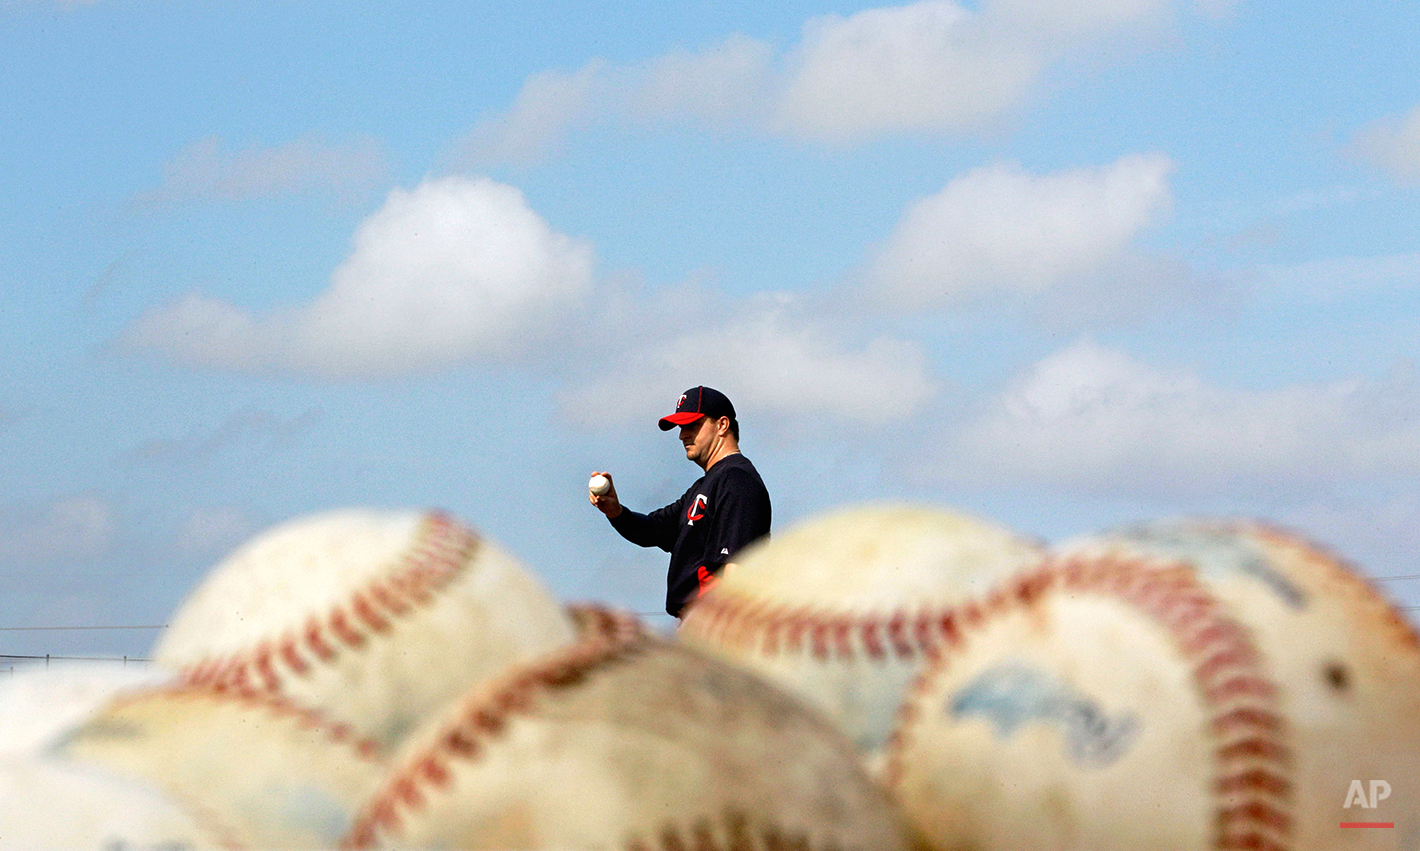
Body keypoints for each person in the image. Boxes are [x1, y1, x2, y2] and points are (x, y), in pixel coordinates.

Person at [589, 386, 771, 618]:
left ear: (722, 425)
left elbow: (738, 568)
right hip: (699, 622)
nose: (682, 434)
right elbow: (652, 530)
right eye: (681, 427)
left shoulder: (737, 480)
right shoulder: (704, 486)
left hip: (715, 623)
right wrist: (615, 511)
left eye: (692, 425)